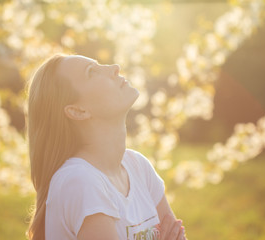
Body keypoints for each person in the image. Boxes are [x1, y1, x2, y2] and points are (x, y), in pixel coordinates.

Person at [26, 54, 187, 240]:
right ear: (78, 111)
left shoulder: (138, 167)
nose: (115, 67)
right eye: (92, 72)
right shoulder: (80, 181)